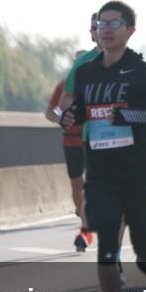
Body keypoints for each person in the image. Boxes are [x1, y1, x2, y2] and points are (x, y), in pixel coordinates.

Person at [59, 0, 146, 292]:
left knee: (143, 249)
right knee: (106, 249)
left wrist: (130, 117)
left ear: (130, 30)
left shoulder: (142, 72)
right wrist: (71, 118)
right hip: (100, 174)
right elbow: (79, 111)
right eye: (101, 23)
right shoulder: (85, 72)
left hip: (137, 172)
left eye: (115, 22)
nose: (106, 28)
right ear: (94, 30)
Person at [46, 50, 93, 252]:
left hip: (93, 142)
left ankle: (85, 230)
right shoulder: (64, 86)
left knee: (93, 187)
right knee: (76, 189)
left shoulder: (98, 85)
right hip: (71, 142)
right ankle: (84, 218)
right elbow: (50, 111)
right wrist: (60, 119)